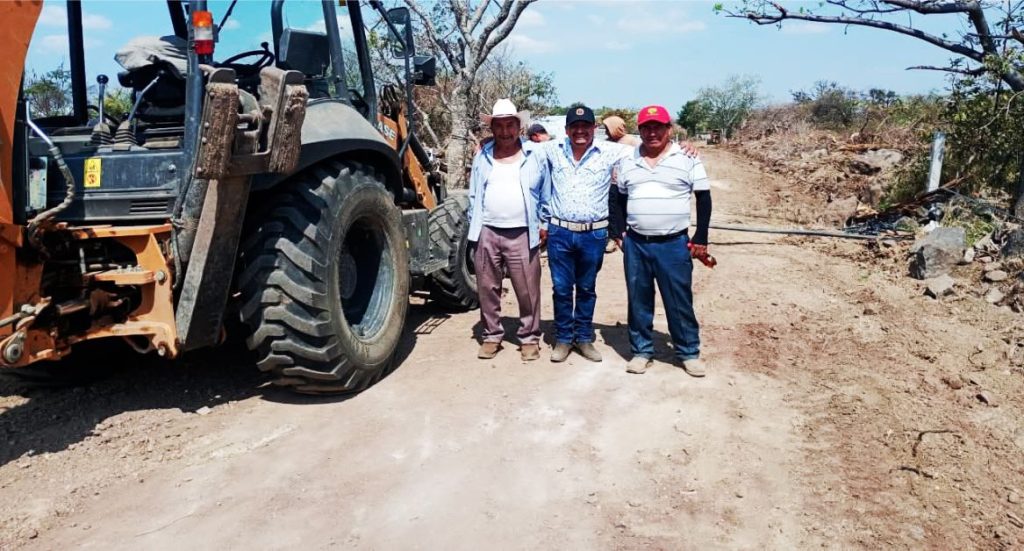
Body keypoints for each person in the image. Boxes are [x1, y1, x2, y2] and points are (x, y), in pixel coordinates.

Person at [609, 105, 712, 378]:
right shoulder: (627, 160)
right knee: (638, 299)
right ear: (639, 130)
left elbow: (703, 198)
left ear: (669, 129)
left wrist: (701, 237)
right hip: (637, 244)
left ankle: (688, 352)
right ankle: (642, 351)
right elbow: (618, 198)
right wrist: (619, 233)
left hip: (673, 244)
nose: (652, 132)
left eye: (658, 127)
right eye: (646, 127)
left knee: (679, 299)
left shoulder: (687, 158)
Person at [467, 99, 550, 361]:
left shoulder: (534, 154)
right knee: (487, 287)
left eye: (510, 125)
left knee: (527, 289)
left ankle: (529, 337)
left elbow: (546, 192)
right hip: (488, 231)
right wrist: (476, 227)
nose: (505, 131)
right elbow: (474, 195)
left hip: (523, 232)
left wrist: (544, 223)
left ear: (519, 126)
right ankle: (492, 335)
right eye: (499, 126)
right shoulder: (483, 156)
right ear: (492, 128)